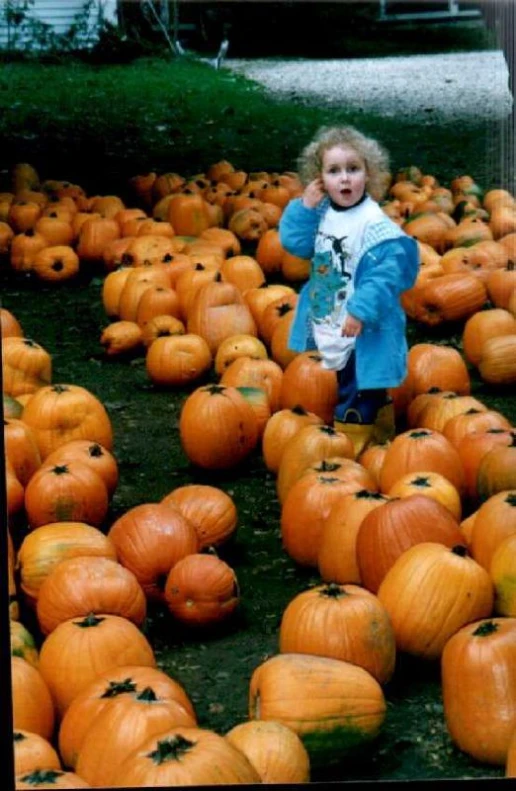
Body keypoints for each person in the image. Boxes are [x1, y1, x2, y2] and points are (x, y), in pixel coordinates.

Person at [278, 125, 419, 457]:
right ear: (320, 179)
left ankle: (351, 457)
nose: (344, 179)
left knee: (355, 391)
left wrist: (360, 310)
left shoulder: (374, 224)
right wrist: (303, 208)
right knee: (357, 383)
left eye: (353, 169)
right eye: (334, 171)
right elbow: (295, 244)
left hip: (364, 325)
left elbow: (387, 274)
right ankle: (380, 446)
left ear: (368, 175)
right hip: (334, 319)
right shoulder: (323, 214)